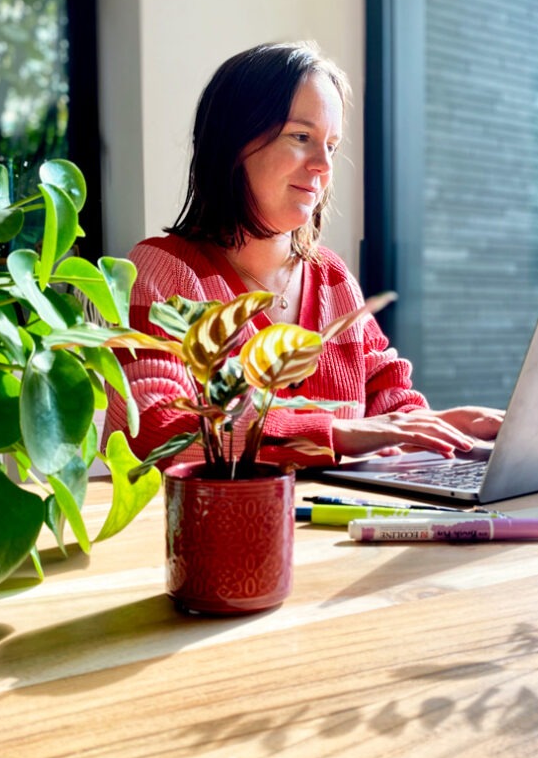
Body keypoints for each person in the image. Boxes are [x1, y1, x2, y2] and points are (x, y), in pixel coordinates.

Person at [104, 41, 503, 468]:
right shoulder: (164, 272)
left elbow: (385, 395)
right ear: (234, 142)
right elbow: (151, 424)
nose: (323, 165)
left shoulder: (331, 276)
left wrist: (435, 423)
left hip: (332, 529)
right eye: (301, 137)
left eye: (331, 145)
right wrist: (330, 434)